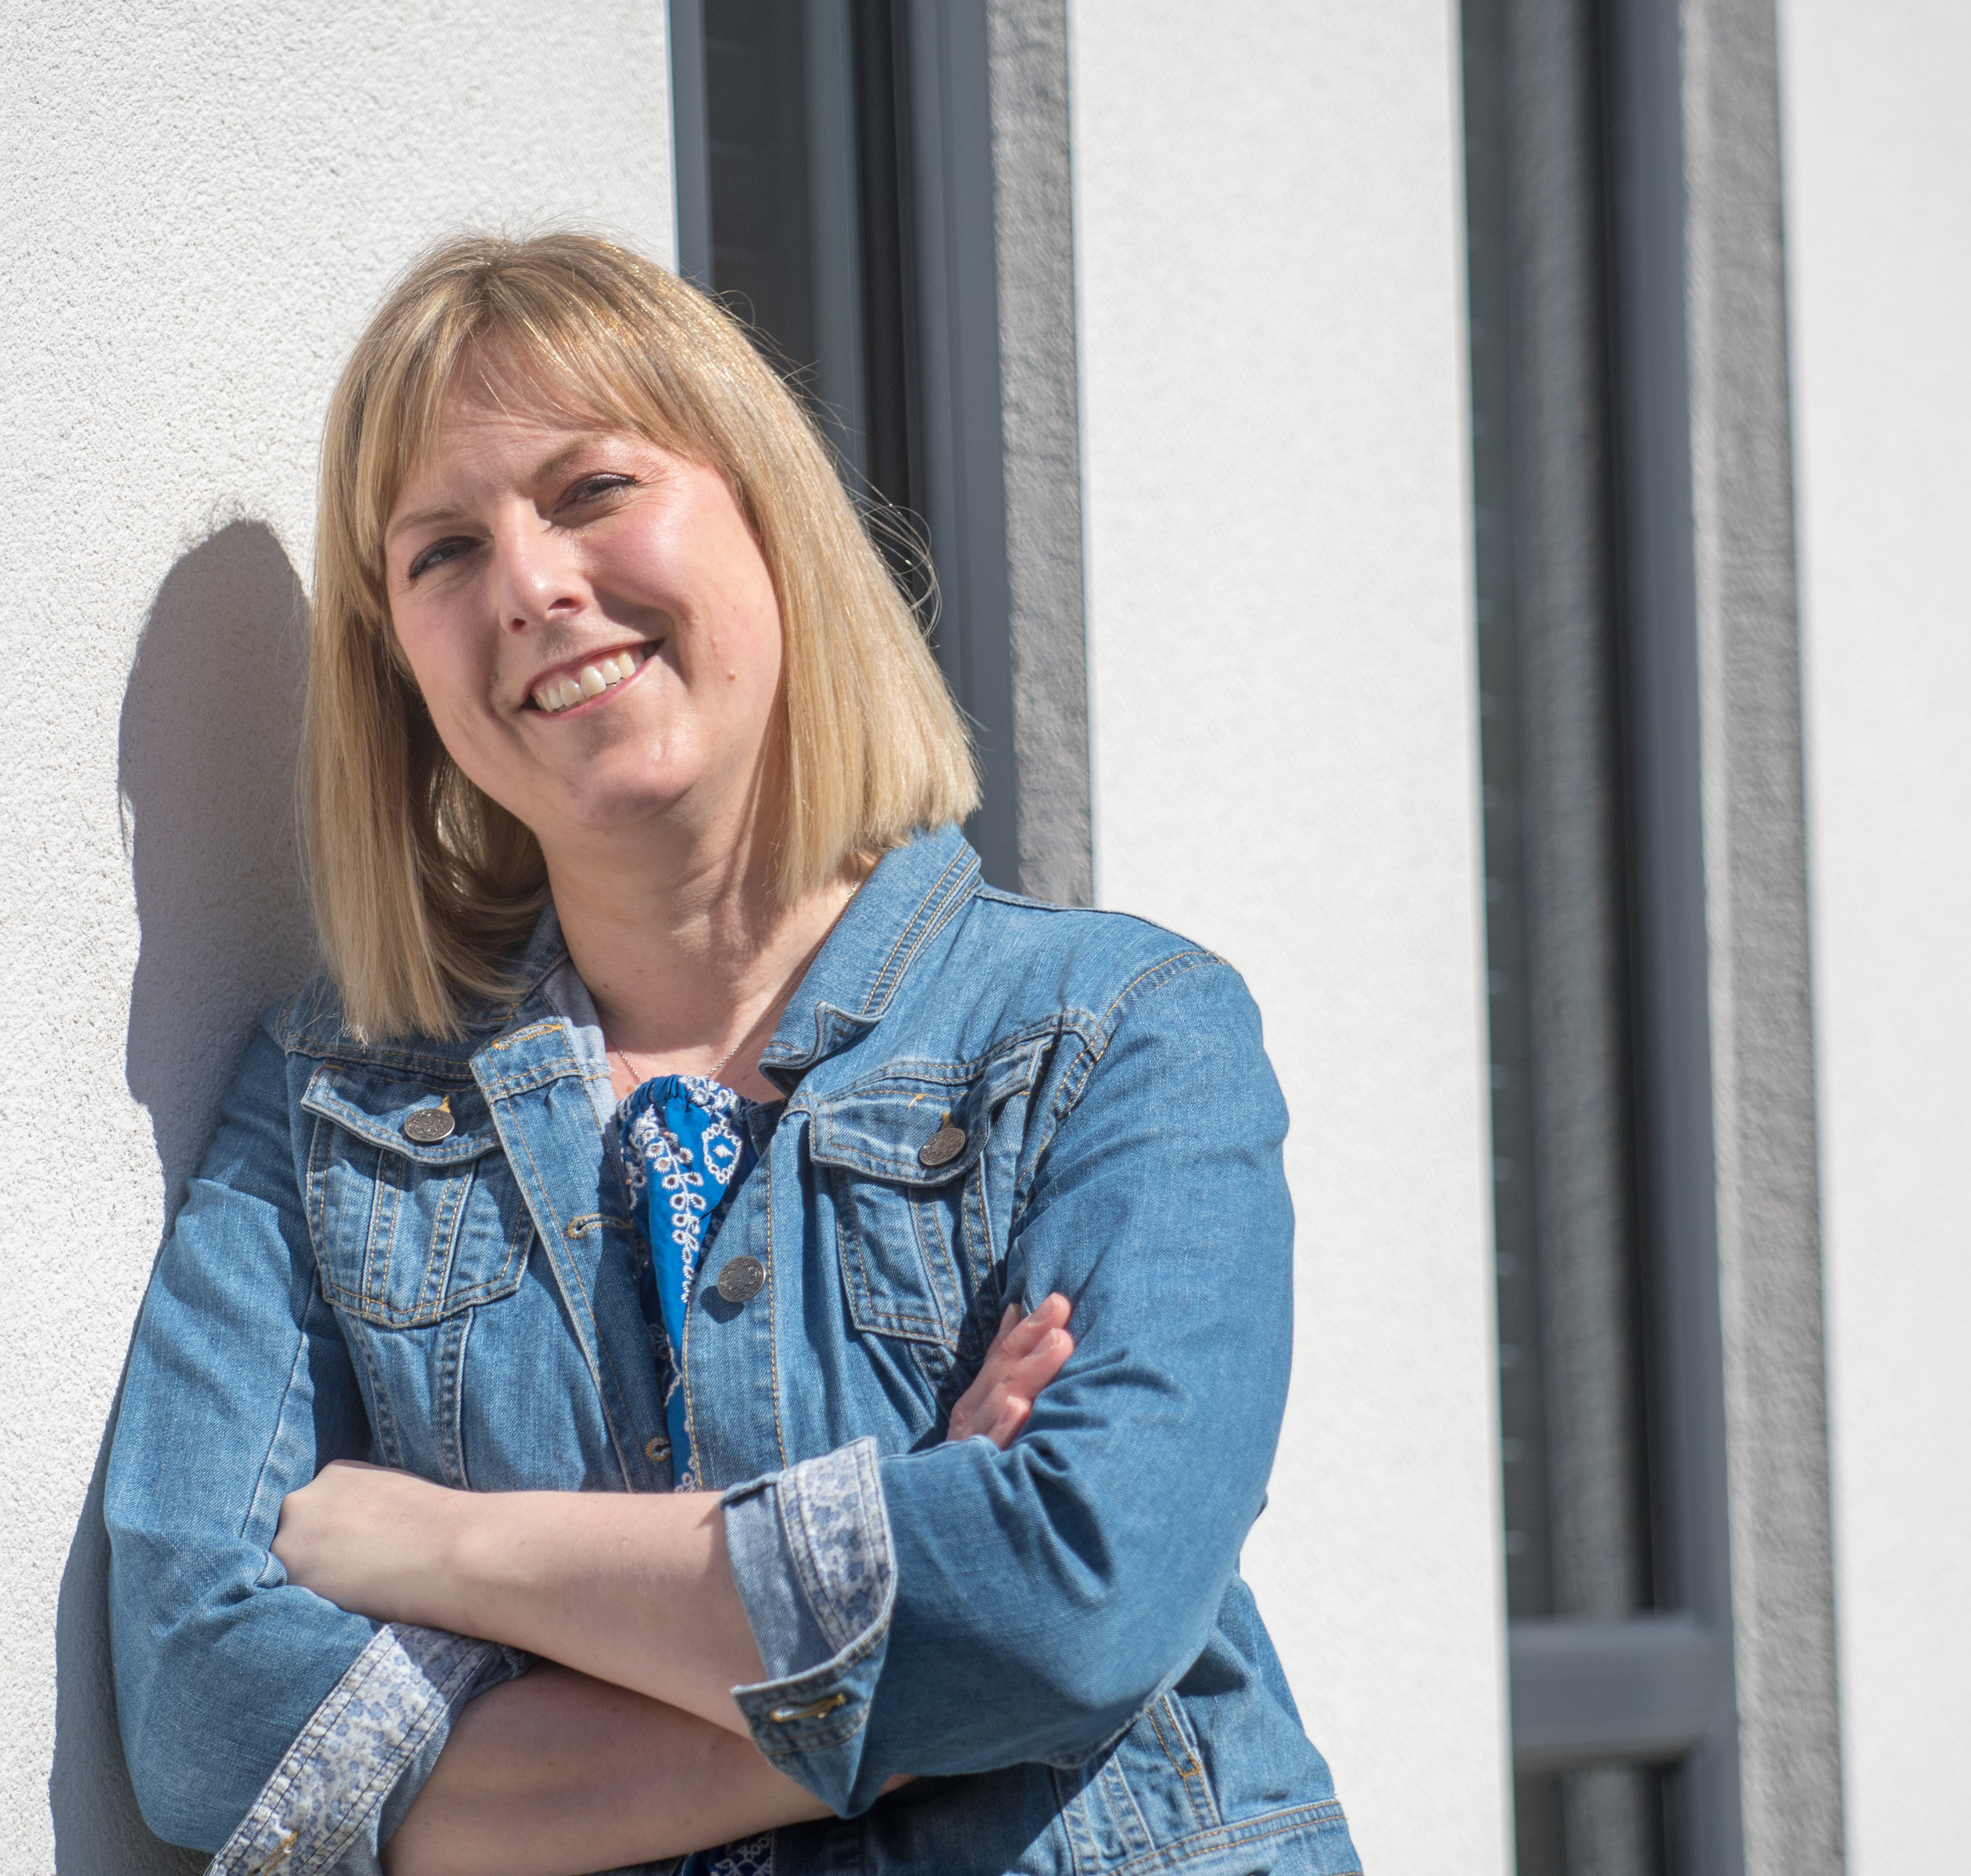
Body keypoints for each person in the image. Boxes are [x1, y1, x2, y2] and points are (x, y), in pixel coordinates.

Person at [104, 231, 1358, 1876]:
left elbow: (1071, 1599)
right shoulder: (335, 1108)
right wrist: (893, 1687)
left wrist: (448, 1550)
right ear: (399, 669)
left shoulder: (1117, 1039)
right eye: (444, 552)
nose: (535, 583)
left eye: (593, 488)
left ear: (769, 517)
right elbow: (207, 1722)